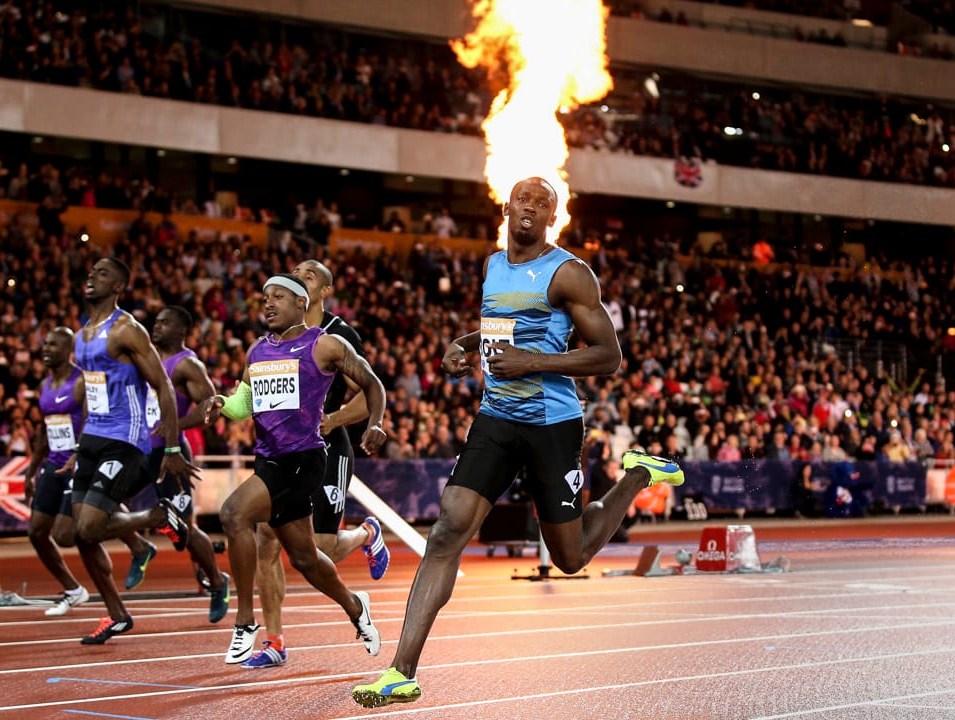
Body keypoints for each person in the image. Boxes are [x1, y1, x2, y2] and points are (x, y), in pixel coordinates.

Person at [351, 176, 685, 707]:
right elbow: (499, 330)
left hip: (552, 424)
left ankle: (639, 474)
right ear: (506, 207)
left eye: (542, 203)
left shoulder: (569, 273)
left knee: (570, 557)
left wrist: (535, 362)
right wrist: (464, 347)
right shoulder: (492, 264)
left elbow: (608, 356)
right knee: (446, 532)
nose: (530, 208)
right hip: (496, 418)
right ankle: (402, 672)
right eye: (523, 199)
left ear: (553, 217)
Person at [194, 273, 388, 666]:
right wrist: (220, 402)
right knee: (306, 558)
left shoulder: (325, 344)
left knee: (234, 513)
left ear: (301, 303)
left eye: (278, 297)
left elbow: (373, 384)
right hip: (268, 457)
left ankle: (246, 622)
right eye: (264, 297)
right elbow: (242, 406)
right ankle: (356, 608)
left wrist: (375, 423)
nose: (268, 304)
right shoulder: (256, 351)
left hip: (303, 459)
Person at [70, 257, 195, 645]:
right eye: (91, 272)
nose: (92, 277)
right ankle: (117, 615)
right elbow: (94, 392)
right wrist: (79, 445)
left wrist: (173, 445)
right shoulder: (82, 335)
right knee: (78, 535)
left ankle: (158, 515)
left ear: (120, 287)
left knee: (90, 526)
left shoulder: (127, 330)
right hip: (92, 437)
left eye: (102, 274)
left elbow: (164, 387)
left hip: (125, 438)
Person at [24, 326, 155, 616]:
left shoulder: (81, 380)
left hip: (79, 458)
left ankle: (136, 542)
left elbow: (96, 417)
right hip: (53, 463)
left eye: (53, 345)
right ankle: (73, 589)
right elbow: (44, 432)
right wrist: (31, 470)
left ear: (68, 349)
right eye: (44, 344)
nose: (46, 349)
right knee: (36, 531)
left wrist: (83, 452)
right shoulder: (45, 385)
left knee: (69, 534)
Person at [137, 305, 231, 622]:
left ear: (180, 331)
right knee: (100, 507)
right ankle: (140, 547)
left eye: (164, 323)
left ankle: (218, 583)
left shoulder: (187, 364)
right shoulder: (145, 358)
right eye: (156, 321)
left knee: (185, 532)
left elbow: (212, 409)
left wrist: (175, 426)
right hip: (137, 451)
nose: (156, 326)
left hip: (170, 455)